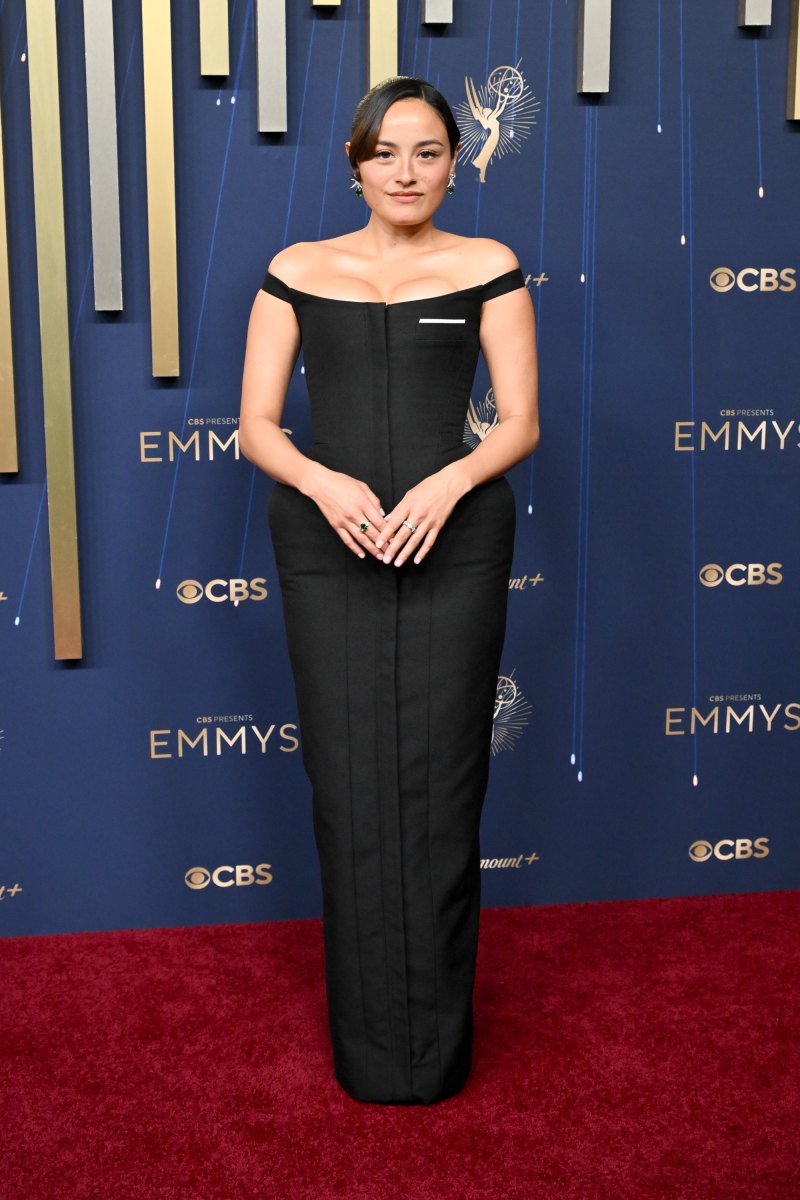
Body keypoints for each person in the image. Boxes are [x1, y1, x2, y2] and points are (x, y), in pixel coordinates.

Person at [239, 75, 539, 1105]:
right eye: (385, 153)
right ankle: (371, 1053)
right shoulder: (292, 270)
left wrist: (448, 482)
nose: (405, 173)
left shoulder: (488, 266)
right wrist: (325, 482)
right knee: (350, 783)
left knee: (443, 783)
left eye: (426, 153)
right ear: (354, 164)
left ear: (455, 163)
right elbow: (257, 427)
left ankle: (436, 1053)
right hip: (329, 542)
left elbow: (515, 424)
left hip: (453, 539)